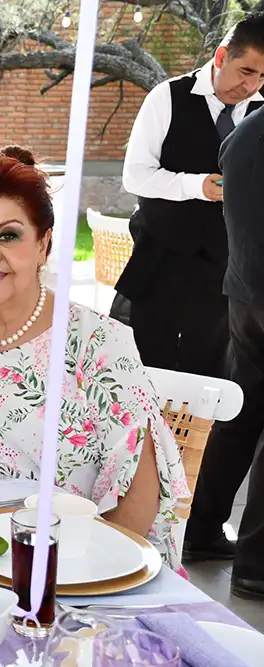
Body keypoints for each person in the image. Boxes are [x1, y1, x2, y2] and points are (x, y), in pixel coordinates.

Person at [0, 147, 189, 568]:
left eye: (8, 235)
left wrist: (74, 582)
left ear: (43, 244)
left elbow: (136, 497)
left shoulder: (97, 343)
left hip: (79, 570)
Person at [112, 14, 264, 378]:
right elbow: (135, 176)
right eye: (246, 71)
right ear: (221, 56)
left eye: (262, 77)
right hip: (161, 259)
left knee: (211, 372)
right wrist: (197, 187)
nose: (252, 86)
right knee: (148, 368)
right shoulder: (166, 98)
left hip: (227, 269)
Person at [184, 104, 264, 598]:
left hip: (245, 293)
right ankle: (257, 566)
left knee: (242, 414)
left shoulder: (246, 131)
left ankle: (200, 529)